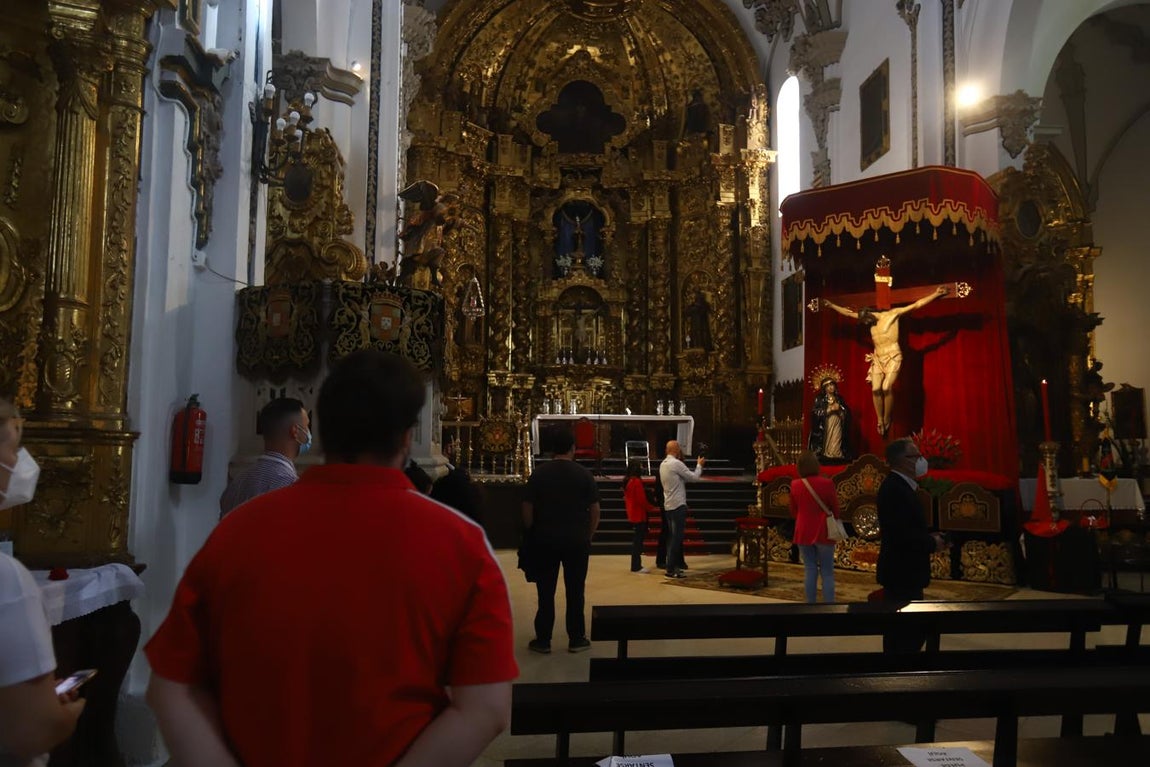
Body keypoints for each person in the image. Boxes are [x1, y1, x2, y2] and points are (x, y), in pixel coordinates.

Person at [146, 351, 517, 766]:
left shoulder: (235, 531)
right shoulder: (462, 544)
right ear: (408, 436)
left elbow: (171, 689)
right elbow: (486, 708)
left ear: (319, 428)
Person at [0, 398, 85, 766]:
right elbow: (32, 733)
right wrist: (67, 712)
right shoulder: (7, 580)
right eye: (13, 446)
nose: (18, 462)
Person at [823, 285, 948, 436]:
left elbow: (916, 304)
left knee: (886, 387)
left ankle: (887, 417)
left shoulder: (892, 314)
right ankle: (880, 419)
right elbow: (848, 314)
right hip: (878, 358)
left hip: (893, 355)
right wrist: (831, 305)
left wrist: (935, 294)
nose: (868, 325)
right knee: (876, 389)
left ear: (871, 314)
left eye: (867, 322)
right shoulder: (867, 319)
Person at [522, 428, 600, 654]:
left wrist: (532, 530)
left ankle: (544, 639)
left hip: (545, 538)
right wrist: (589, 535)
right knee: (576, 591)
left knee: (545, 591)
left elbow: (526, 507)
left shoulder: (539, 474)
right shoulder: (584, 474)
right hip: (576, 540)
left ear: (552, 449)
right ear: (573, 448)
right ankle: (576, 638)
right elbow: (595, 510)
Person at [876, 437, 948, 652]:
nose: (921, 460)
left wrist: (930, 537)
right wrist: (931, 543)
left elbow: (907, 528)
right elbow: (901, 536)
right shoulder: (894, 489)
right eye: (916, 456)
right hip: (901, 572)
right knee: (903, 637)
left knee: (911, 632)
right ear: (903, 461)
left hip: (908, 572)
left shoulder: (903, 487)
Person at [218, 397, 310, 519]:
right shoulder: (290, 486)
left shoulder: (237, 483)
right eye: (307, 426)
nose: (308, 432)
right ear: (295, 431)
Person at [789, 450, 841, 603]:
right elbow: (836, 510)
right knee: (827, 572)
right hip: (824, 531)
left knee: (810, 570)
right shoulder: (827, 483)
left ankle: (810, 604)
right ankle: (829, 605)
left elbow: (793, 511)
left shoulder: (795, 484)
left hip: (803, 531)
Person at [659, 439, 704, 579]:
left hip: (668, 505)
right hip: (678, 505)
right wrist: (699, 465)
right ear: (676, 450)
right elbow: (694, 478)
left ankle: (673, 566)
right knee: (676, 539)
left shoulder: (663, 464)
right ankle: (671, 568)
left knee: (672, 538)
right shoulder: (676, 464)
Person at [623, 460, 658, 574]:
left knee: (637, 541)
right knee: (638, 541)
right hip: (639, 514)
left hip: (633, 513)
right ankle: (636, 565)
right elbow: (641, 500)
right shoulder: (636, 481)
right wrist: (651, 507)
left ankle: (636, 564)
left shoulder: (628, 481)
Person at [809, 378, 850, 462]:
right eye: (828, 386)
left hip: (837, 422)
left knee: (836, 438)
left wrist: (840, 410)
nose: (831, 387)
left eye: (832, 385)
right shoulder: (820, 399)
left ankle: (836, 454)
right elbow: (815, 413)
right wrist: (828, 410)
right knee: (827, 439)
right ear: (824, 388)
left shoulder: (839, 399)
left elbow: (846, 412)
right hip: (826, 423)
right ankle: (826, 454)